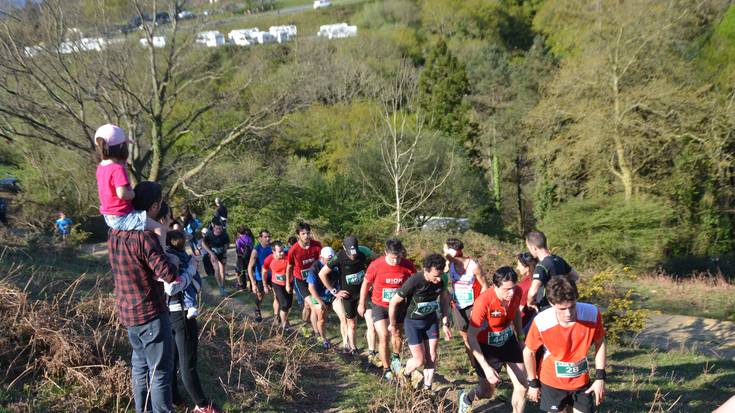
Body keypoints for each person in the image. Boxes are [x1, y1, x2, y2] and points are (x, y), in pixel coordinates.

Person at [109, 181, 178, 413]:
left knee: (139, 368)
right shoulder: (144, 238)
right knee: (159, 372)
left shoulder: (114, 232)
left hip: (128, 314)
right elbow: (167, 274)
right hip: (150, 313)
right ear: (155, 205)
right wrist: (175, 261)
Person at [159, 221, 222, 413]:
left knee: (173, 359)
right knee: (188, 364)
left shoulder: (160, 255)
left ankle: (174, 398)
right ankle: (203, 406)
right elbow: (174, 285)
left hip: (166, 312)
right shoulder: (177, 259)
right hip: (182, 313)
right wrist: (192, 270)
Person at [524, 275, 606, 413]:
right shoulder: (542, 321)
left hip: (581, 382)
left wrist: (600, 378)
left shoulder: (591, 313)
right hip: (552, 382)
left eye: (572, 306)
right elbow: (528, 352)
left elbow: (600, 343)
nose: (568, 313)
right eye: (562, 309)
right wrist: (533, 383)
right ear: (551, 302)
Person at [458, 266, 527, 413]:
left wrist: (520, 337)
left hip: (508, 341)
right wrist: (486, 368)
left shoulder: (517, 292)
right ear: (496, 286)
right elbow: (471, 337)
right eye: (507, 289)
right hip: (486, 348)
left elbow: (515, 313)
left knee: (522, 385)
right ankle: (467, 398)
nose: (512, 292)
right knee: (487, 392)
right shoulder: (484, 302)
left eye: (513, 287)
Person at [389, 253, 452, 390]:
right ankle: (404, 374)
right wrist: (392, 324)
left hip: (431, 321)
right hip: (413, 323)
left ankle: (427, 389)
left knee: (432, 357)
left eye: (441, 274)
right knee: (419, 360)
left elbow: (444, 297)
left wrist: (445, 321)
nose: (438, 278)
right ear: (426, 270)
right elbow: (394, 302)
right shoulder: (414, 281)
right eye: (435, 276)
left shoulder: (443, 278)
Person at [94, 123, 165, 246]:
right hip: (122, 217)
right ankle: (163, 255)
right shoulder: (117, 169)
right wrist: (133, 194)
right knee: (160, 229)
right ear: (122, 147)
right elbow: (122, 194)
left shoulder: (101, 167)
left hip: (109, 216)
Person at [359, 237, 416, 381]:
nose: (395, 261)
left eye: (398, 258)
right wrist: (361, 303)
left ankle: (396, 358)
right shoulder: (376, 265)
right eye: (392, 258)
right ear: (385, 253)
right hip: (380, 306)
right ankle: (386, 369)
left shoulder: (408, 265)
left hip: (399, 306)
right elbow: (366, 284)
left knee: (397, 334)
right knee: (383, 336)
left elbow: (415, 284)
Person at [319, 235, 370, 355]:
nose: (353, 256)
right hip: (348, 295)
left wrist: (371, 280)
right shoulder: (339, 257)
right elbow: (322, 274)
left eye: (355, 253)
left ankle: (372, 351)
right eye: (350, 254)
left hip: (364, 291)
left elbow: (377, 261)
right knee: (351, 323)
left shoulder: (364, 251)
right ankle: (354, 348)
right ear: (344, 248)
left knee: (371, 321)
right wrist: (334, 291)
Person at [444, 238, 486, 368]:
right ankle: (475, 367)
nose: (444, 253)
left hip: (473, 305)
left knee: (478, 337)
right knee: (466, 338)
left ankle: (485, 365)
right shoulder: (449, 265)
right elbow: (441, 281)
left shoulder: (473, 265)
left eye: (446, 251)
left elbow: (485, 286)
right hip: (457, 306)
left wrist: (478, 306)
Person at [525, 231, 579, 312]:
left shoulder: (541, 266)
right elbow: (575, 276)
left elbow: (533, 292)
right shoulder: (559, 259)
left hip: (547, 307)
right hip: (562, 306)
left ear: (534, 248)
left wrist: (530, 303)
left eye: (529, 248)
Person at [286, 222, 322, 337]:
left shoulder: (317, 245)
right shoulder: (294, 250)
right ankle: (317, 333)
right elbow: (289, 266)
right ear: (298, 235)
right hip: (300, 280)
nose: (306, 236)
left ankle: (304, 324)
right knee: (311, 305)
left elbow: (321, 262)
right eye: (303, 234)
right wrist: (287, 283)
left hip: (313, 279)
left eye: (308, 233)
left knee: (307, 306)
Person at [306, 246, 341, 349]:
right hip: (318, 295)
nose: (331, 261)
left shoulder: (335, 264)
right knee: (321, 318)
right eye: (328, 260)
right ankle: (323, 338)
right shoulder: (314, 268)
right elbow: (311, 288)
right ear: (321, 257)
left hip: (331, 294)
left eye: (332, 259)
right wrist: (320, 302)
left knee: (330, 315)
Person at [167, 230, 202, 320]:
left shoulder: (168, 253)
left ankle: (191, 306)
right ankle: (192, 306)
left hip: (181, 277)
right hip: (187, 275)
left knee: (187, 288)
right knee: (189, 288)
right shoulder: (182, 252)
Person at [263, 241, 291, 329]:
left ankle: (284, 318)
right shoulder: (269, 259)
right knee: (284, 304)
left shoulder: (288, 256)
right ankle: (283, 323)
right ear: (273, 251)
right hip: (277, 283)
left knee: (289, 304)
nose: (282, 253)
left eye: (283, 250)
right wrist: (264, 285)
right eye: (280, 251)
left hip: (289, 282)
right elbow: (264, 271)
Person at [248, 229, 273, 322]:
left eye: (269, 236)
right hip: (260, 277)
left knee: (277, 295)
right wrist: (253, 283)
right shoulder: (256, 250)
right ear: (260, 238)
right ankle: (257, 309)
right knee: (260, 296)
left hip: (272, 275)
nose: (267, 239)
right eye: (265, 237)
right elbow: (249, 267)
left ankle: (277, 315)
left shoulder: (272, 247)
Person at [201, 221, 230, 296]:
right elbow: (203, 243)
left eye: (220, 228)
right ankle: (220, 286)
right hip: (213, 253)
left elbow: (226, 245)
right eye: (217, 228)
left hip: (222, 253)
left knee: (222, 270)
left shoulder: (224, 234)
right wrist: (210, 253)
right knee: (216, 269)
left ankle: (223, 286)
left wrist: (224, 254)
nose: (219, 230)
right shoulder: (209, 234)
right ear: (214, 228)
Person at [516, 251, 539, 333]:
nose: (517, 268)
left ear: (527, 268)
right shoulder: (531, 279)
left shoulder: (528, 286)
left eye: (519, 265)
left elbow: (521, 309)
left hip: (523, 324)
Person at [235, 226, 254, 291]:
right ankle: (251, 287)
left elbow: (237, 250)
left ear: (238, 232)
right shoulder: (249, 238)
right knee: (250, 271)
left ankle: (244, 286)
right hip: (249, 257)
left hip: (241, 257)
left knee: (242, 272)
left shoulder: (238, 240)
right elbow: (252, 247)